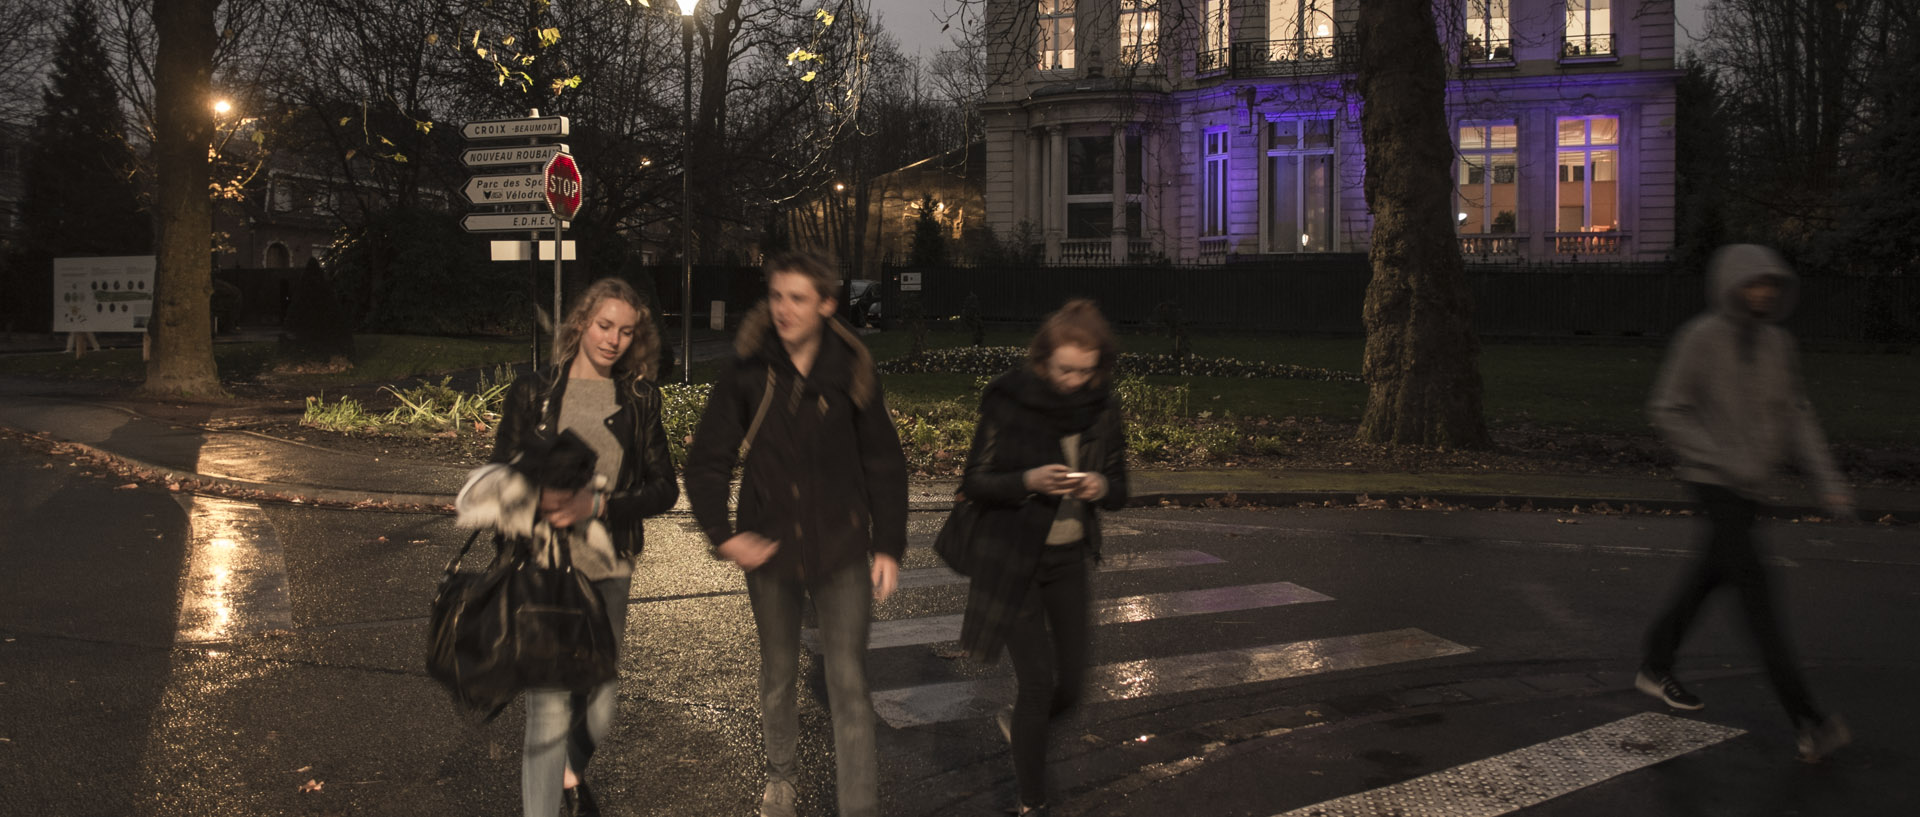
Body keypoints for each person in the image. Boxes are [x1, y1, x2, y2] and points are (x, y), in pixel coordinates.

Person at [684, 250, 908, 817]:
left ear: (827, 304)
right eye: (776, 296)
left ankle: (859, 806)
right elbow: (708, 459)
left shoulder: (851, 370)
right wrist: (722, 532)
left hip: (840, 549)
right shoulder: (747, 370)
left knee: (850, 684)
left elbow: (883, 461)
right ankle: (780, 780)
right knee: (779, 671)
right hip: (771, 549)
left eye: (798, 298)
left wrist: (888, 545)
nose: (783, 309)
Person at [1636, 244, 1853, 763]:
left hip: (1751, 488)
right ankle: (1809, 720)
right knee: (1759, 601)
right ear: (1731, 286)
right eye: (1752, 284)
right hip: (1713, 482)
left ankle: (1656, 661)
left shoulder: (1779, 344)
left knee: (1709, 576)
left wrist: (1828, 480)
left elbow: (1798, 416)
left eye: (1770, 286)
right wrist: (1720, 458)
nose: (1761, 293)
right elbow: (1666, 409)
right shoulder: (1702, 338)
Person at [490, 278, 680, 816]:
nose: (613, 340)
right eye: (604, 326)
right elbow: (499, 474)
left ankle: (569, 771)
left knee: (599, 702)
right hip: (543, 568)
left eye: (625, 331)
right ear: (581, 324)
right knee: (547, 711)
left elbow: (665, 488)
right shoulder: (534, 392)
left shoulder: (640, 399)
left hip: (608, 569)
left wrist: (598, 506)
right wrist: (534, 494)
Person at [956, 299, 1129, 816]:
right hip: (1015, 560)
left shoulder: (1101, 406)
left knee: (1071, 687)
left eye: (1086, 370)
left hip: (1068, 559)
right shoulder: (1010, 400)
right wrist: (1028, 481)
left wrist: (1099, 484)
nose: (1076, 380)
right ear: (1042, 360)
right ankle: (1033, 801)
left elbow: (1120, 488)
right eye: (1065, 369)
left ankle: (1022, 732)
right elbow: (975, 481)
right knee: (1036, 683)